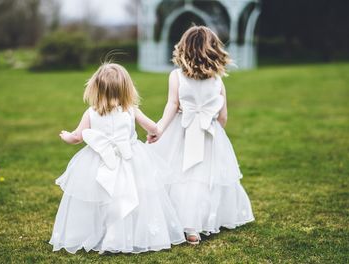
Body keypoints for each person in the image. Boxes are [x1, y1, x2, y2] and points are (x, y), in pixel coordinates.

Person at [49, 63, 185, 254]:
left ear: (95, 88)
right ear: (126, 88)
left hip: (99, 161)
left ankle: (105, 232)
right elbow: (153, 127)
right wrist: (156, 132)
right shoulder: (131, 110)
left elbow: (78, 137)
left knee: (103, 195)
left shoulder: (90, 112)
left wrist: (67, 137)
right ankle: (128, 233)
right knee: (134, 193)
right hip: (130, 159)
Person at [148, 26, 254, 245]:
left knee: (178, 174)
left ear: (183, 49)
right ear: (214, 49)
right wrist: (217, 134)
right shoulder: (217, 79)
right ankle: (195, 224)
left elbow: (172, 105)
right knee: (203, 178)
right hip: (208, 133)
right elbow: (223, 115)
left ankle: (180, 222)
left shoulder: (176, 76)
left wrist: (160, 129)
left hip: (181, 131)